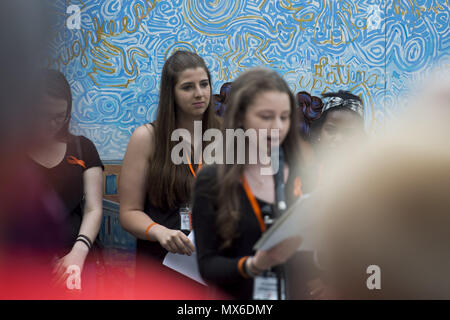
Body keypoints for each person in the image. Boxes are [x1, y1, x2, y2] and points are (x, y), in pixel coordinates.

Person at [192, 67, 312, 300]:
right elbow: (207, 266)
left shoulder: (298, 173)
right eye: (266, 117)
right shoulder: (211, 180)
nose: (277, 126)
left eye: (284, 117)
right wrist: (254, 265)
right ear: (240, 118)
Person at [119, 51, 221, 282]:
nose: (199, 94)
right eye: (187, 87)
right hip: (162, 263)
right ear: (171, 93)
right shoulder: (147, 137)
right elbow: (129, 213)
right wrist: (159, 232)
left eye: (204, 84)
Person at [25, 69, 104, 290]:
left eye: (59, 116)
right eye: (43, 115)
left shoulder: (82, 148)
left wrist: (79, 251)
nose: (52, 124)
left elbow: (93, 208)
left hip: (78, 249)